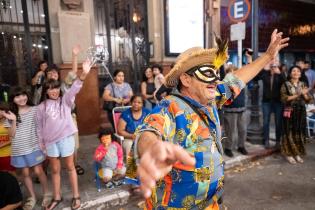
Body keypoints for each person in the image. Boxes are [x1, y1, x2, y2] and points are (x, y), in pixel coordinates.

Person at [125, 29, 289, 209]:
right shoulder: (170, 106)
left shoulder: (210, 99)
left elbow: (237, 79)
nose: (216, 79)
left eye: (215, 72)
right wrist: (153, 148)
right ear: (186, 80)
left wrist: (267, 56)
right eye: (207, 73)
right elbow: (149, 129)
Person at [36, 59, 92, 210]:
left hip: (66, 138)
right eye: (50, 89)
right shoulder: (41, 107)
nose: (54, 91)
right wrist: (42, 146)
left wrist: (84, 74)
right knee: (55, 170)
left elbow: (75, 88)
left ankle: (76, 196)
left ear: (59, 89)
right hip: (50, 143)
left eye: (56, 88)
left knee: (70, 167)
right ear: (45, 91)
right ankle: (57, 197)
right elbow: (39, 128)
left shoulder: (65, 101)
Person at [8, 87, 49, 209]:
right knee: (25, 173)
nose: (21, 98)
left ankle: (47, 194)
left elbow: (42, 127)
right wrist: (14, 120)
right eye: (17, 96)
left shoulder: (35, 109)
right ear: (13, 99)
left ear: (27, 95)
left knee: (38, 171)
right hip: (18, 149)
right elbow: (11, 134)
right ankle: (32, 197)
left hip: (34, 146)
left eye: (23, 95)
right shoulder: (11, 114)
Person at [280, 65, 312, 164]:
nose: (296, 73)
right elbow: (284, 98)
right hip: (290, 111)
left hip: (301, 112)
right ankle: (289, 154)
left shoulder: (303, 84)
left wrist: (305, 94)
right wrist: (297, 94)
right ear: (290, 73)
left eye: (298, 71)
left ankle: (297, 153)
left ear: (300, 74)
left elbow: (308, 100)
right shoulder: (285, 84)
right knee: (289, 132)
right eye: (294, 71)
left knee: (299, 132)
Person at [255, 60, 286, 148]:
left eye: (275, 65)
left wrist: (279, 73)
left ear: (278, 65)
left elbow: (286, 84)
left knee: (278, 122)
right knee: (266, 121)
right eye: (272, 65)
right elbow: (256, 78)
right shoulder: (265, 74)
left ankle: (278, 141)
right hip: (266, 102)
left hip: (278, 102)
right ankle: (266, 141)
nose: (273, 66)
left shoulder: (280, 74)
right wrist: (265, 69)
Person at [223, 65, 248, 157]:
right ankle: (228, 148)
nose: (233, 73)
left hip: (242, 109)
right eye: (231, 71)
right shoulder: (225, 81)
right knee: (230, 131)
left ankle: (241, 146)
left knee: (243, 130)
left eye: (235, 71)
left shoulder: (241, 81)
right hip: (230, 110)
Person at [117, 94, 150, 159]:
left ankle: (147, 164)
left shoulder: (147, 112)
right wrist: (132, 136)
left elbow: (152, 125)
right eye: (134, 102)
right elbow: (120, 131)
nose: (136, 104)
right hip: (129, 139)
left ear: (143, 104)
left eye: (139, 102)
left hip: (143, 137)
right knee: (129, 144)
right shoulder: (126, 114)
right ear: (131, 102)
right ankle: (131, 166)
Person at [0, 102, 15, 173]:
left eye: (1, 110)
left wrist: (1, 145)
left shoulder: (8, 123)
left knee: (9, 176)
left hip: (6, 155)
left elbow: (12, 139)